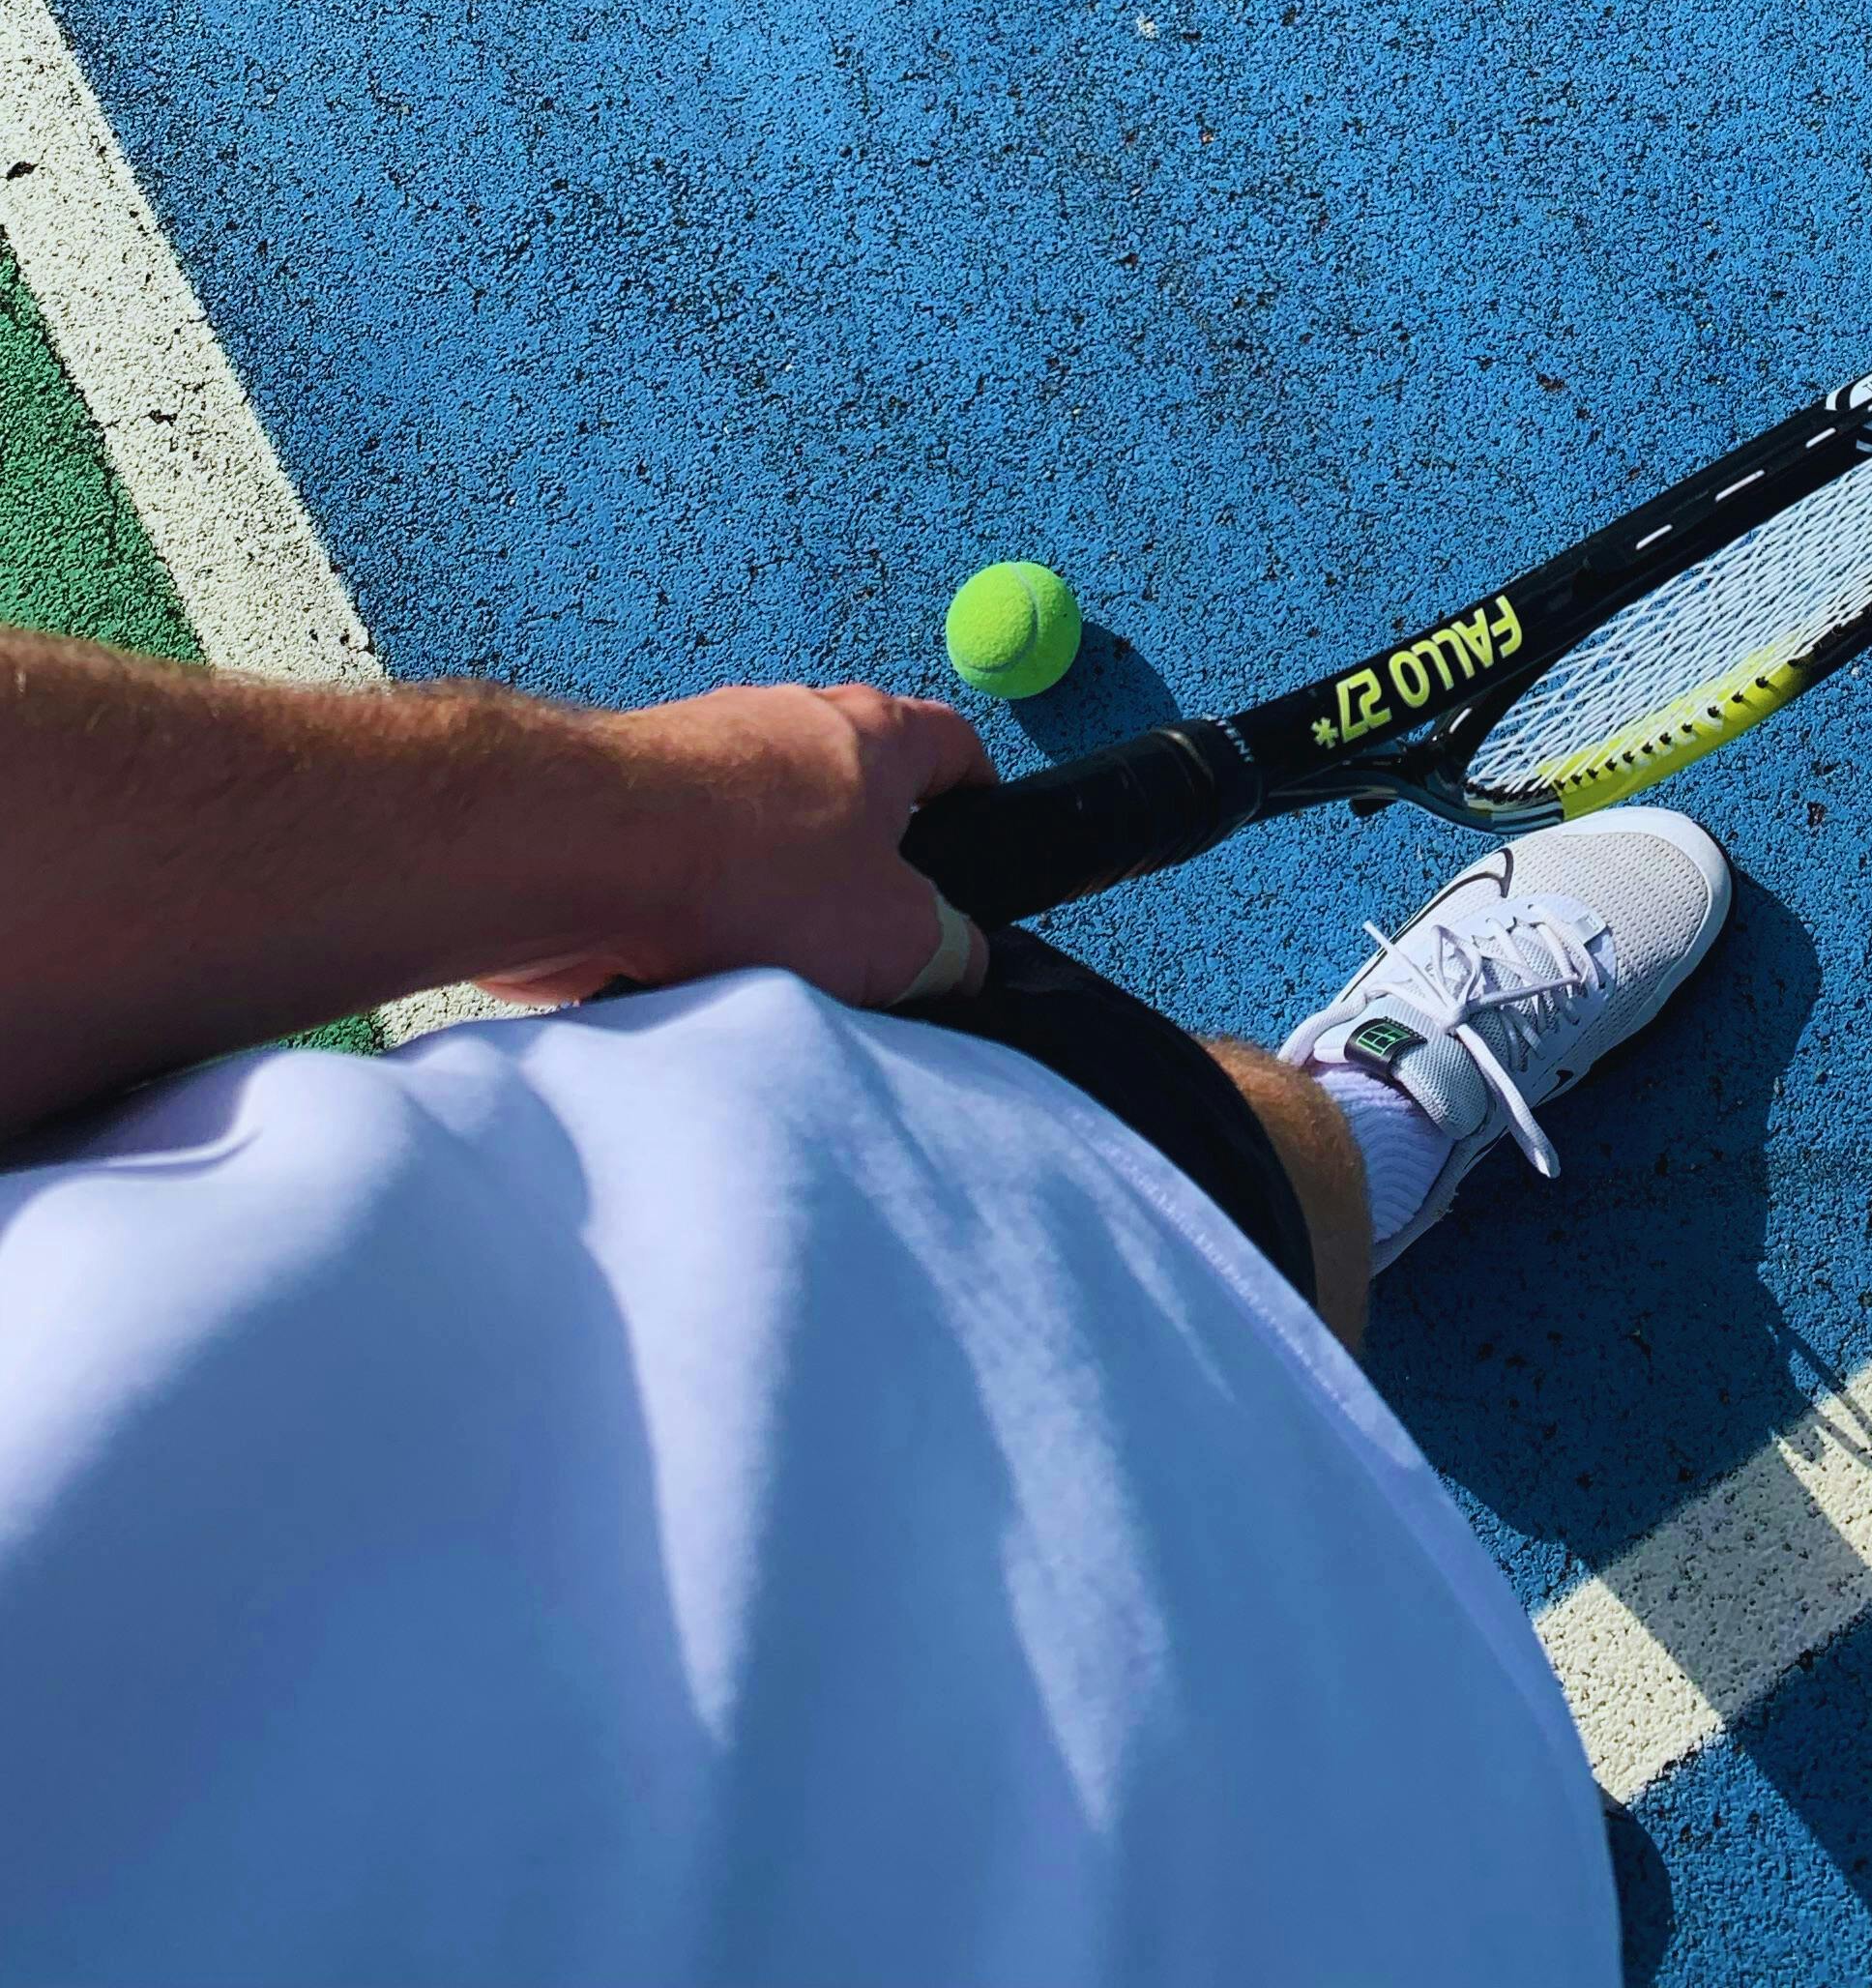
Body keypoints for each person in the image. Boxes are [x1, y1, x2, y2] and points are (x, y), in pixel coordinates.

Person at [0, 630, 1733, 1988]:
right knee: (1448, 1844)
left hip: (749, 1282)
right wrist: (636, 830)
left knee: (1226, 1193)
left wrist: (650, 835)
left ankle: (1362, 1123)